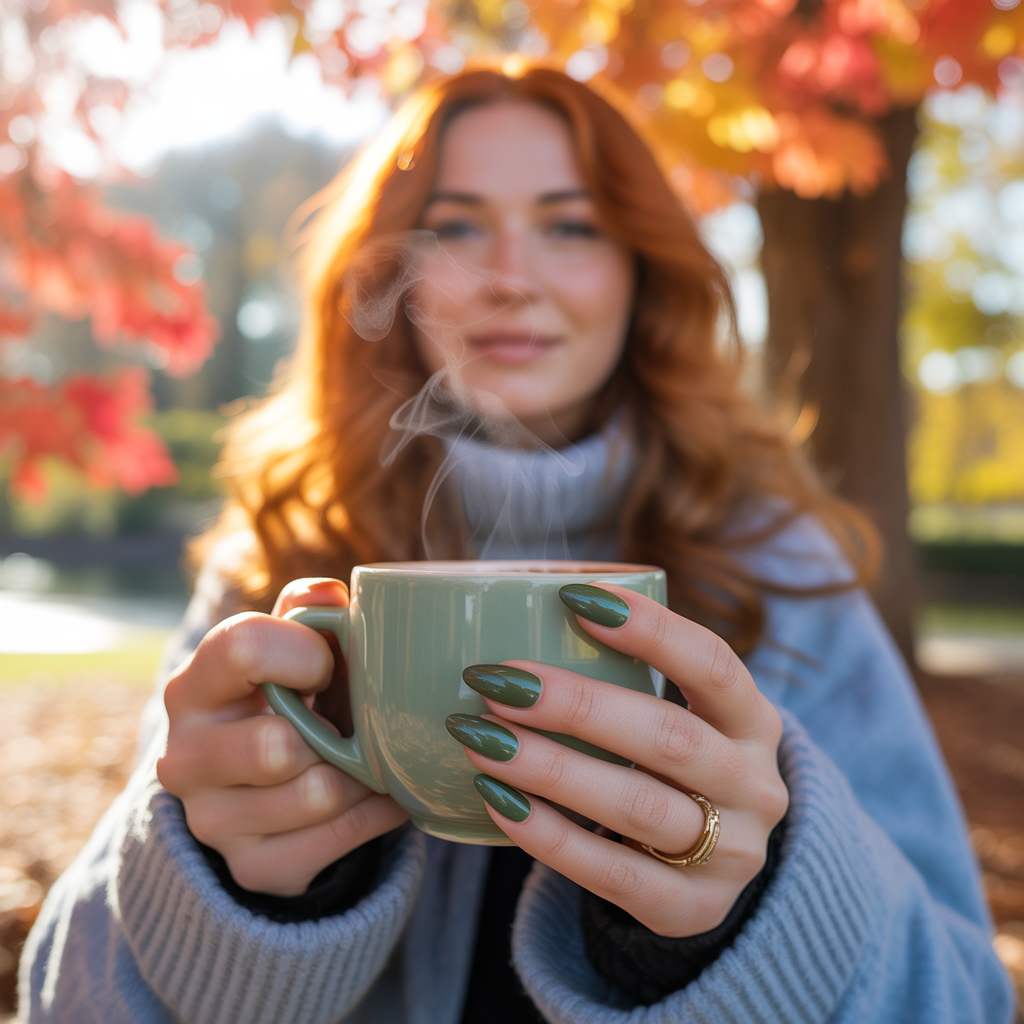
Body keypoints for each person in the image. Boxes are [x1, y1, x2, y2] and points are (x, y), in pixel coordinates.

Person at [20, 61, 1014, 1024]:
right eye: (453, 226)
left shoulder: (777, 565)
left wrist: (752, 907)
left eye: (570, 225)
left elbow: (964, 998)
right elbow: (67, 1001)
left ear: (642, 274)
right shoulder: (279, 566)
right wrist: (225, 893)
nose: (507, 278)